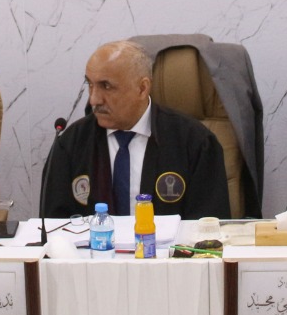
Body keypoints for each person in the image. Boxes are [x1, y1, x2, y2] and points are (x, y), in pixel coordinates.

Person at [40, 40, 230, 218]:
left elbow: (208, 228)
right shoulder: (71, 144)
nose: (94, 99)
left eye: (106, 86)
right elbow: (53, 225)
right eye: (90, 84)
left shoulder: (195, 142)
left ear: (142, 88)